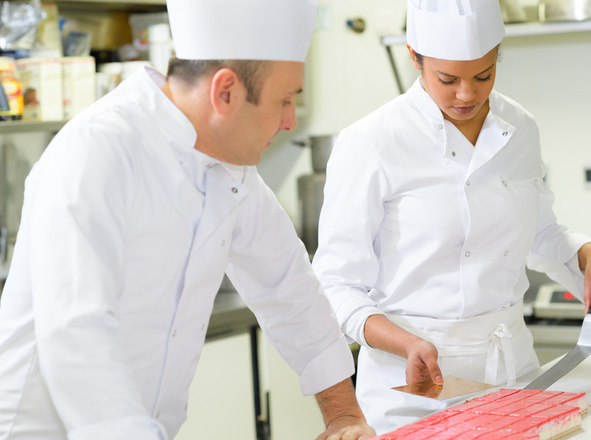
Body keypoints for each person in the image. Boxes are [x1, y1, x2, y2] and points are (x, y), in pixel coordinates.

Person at [0, 0, 376, 439]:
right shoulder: (96, 151)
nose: (291, 120)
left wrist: (344, 414)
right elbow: (77, 332)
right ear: (225, 92)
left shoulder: (231, 168)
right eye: (284, 100)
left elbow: (289, 287)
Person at [311, 0, 591, 435]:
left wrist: (588, 251)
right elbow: (335, 283)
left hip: (516, 378)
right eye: (448, 79)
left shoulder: (519, 127)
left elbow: (539, 232)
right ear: (414, 57)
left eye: (484, 75)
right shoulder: (371, 142)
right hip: (414, 389)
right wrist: (403, 341)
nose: (467, 94)